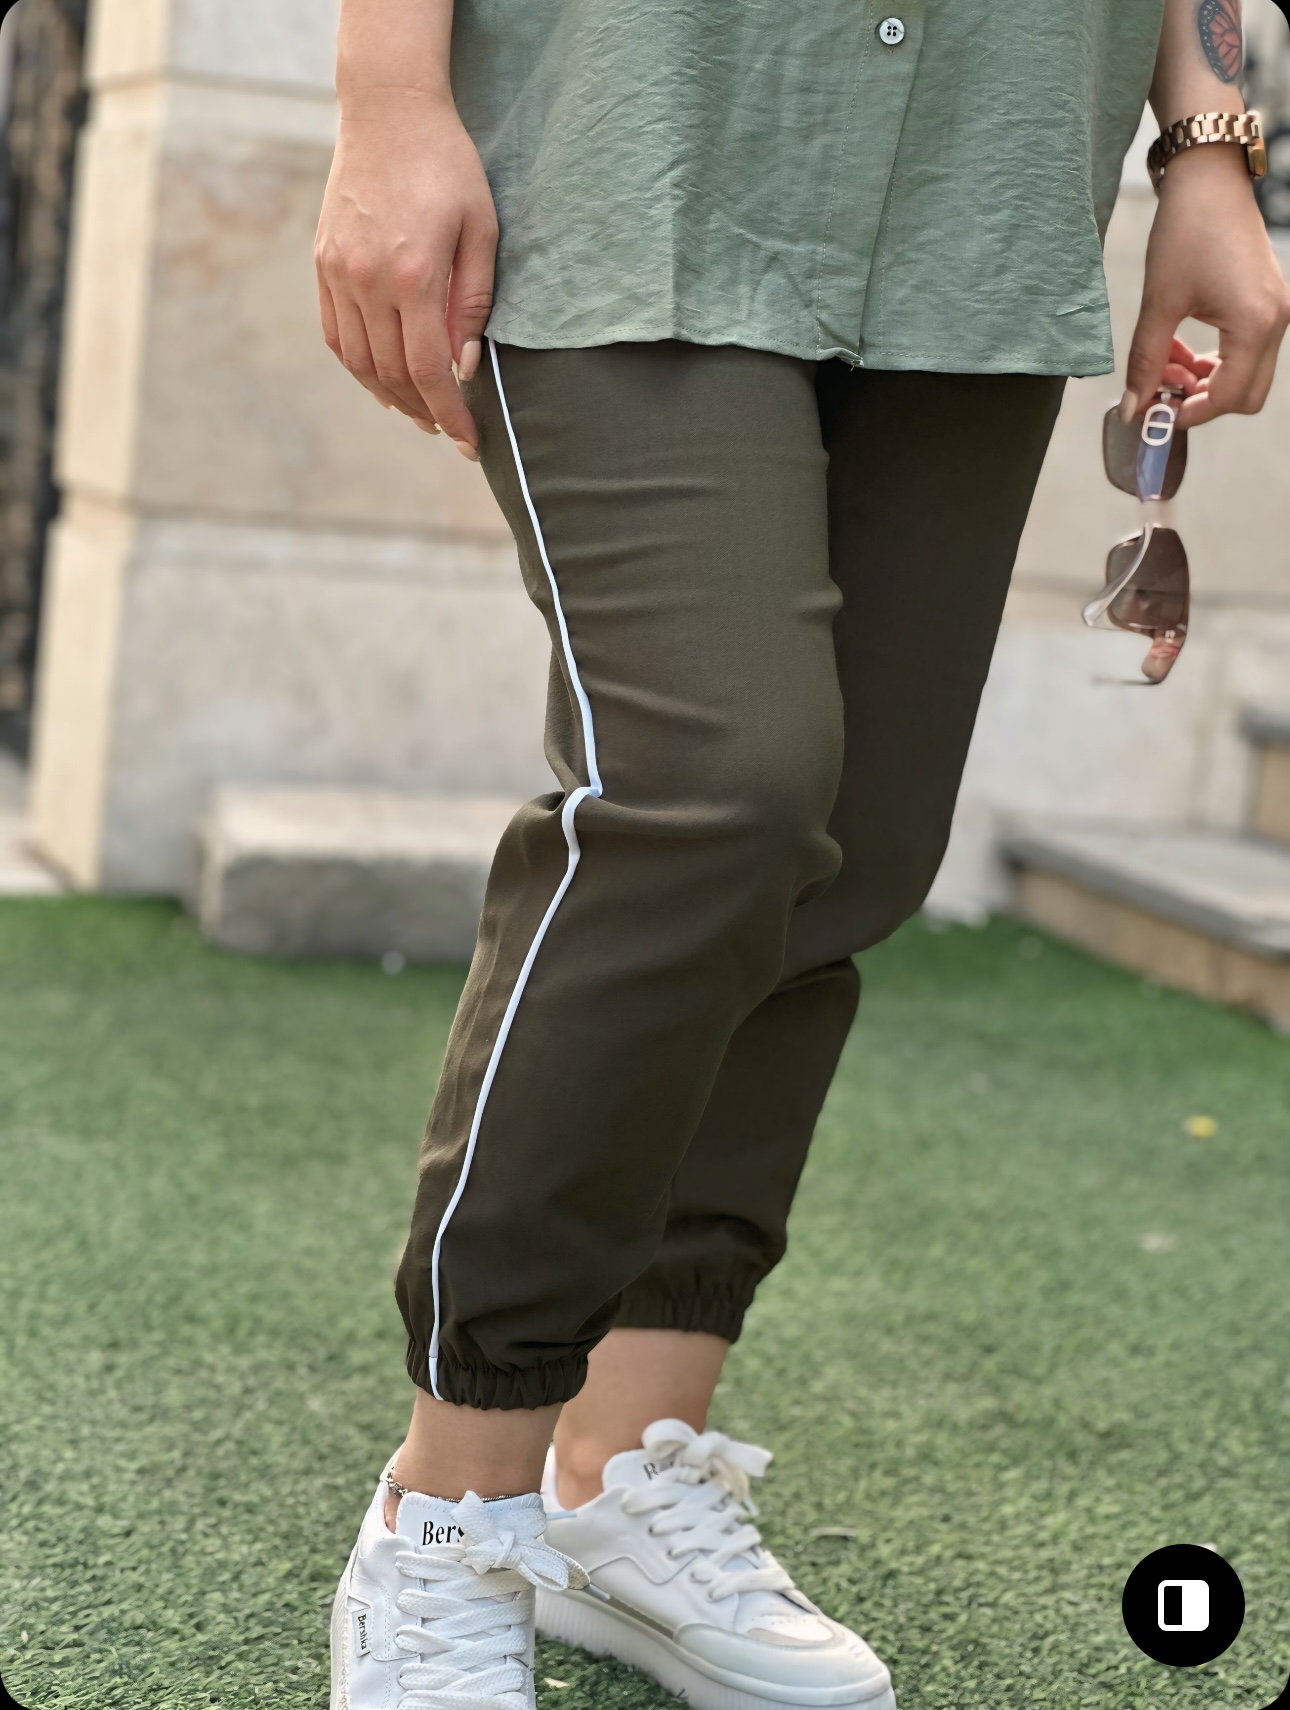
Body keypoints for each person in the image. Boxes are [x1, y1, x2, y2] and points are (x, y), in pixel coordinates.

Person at [315, 0, 1290, 1705]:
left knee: (852, 846)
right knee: (717, 786)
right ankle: (448, 1512)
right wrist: (389, 92)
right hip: (642, 125)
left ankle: (622, 1475)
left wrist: (1205, 146)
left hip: (989, 180)